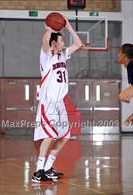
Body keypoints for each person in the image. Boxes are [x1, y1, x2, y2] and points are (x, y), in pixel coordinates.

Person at [31, 16, 82, 183]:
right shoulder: (46, 57)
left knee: (65, 135)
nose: (64, 43)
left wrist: (67, 26)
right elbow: (45, 40)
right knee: (49, 136)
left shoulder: (63, 56)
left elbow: (78, 44)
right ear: (54, 43)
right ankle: (38, 171)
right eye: (61, 41)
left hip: (60, 104)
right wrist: (50, 28)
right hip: (49, 103)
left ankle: (48, 168)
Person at [118, 43, 133, 125]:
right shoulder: (130, 66)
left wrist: (126, 93)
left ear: (124, 56)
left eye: (119, 53)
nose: (118, 55)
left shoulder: (131, 65)